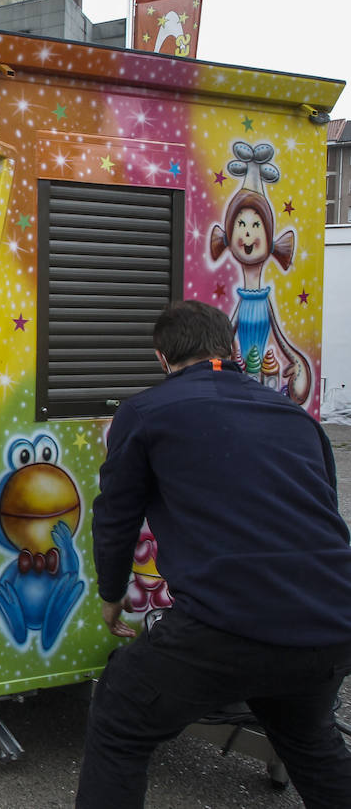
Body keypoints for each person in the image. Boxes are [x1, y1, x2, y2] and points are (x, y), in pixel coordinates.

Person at [77, 299, 351, 808]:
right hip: (331, 621)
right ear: (229, 349)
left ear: (162, 358)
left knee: (120, 709)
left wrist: (111, 593)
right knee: (310, 740)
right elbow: (325, 515)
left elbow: (115, 516)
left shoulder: (146, 412)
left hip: (229, 623)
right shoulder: (298, 419)